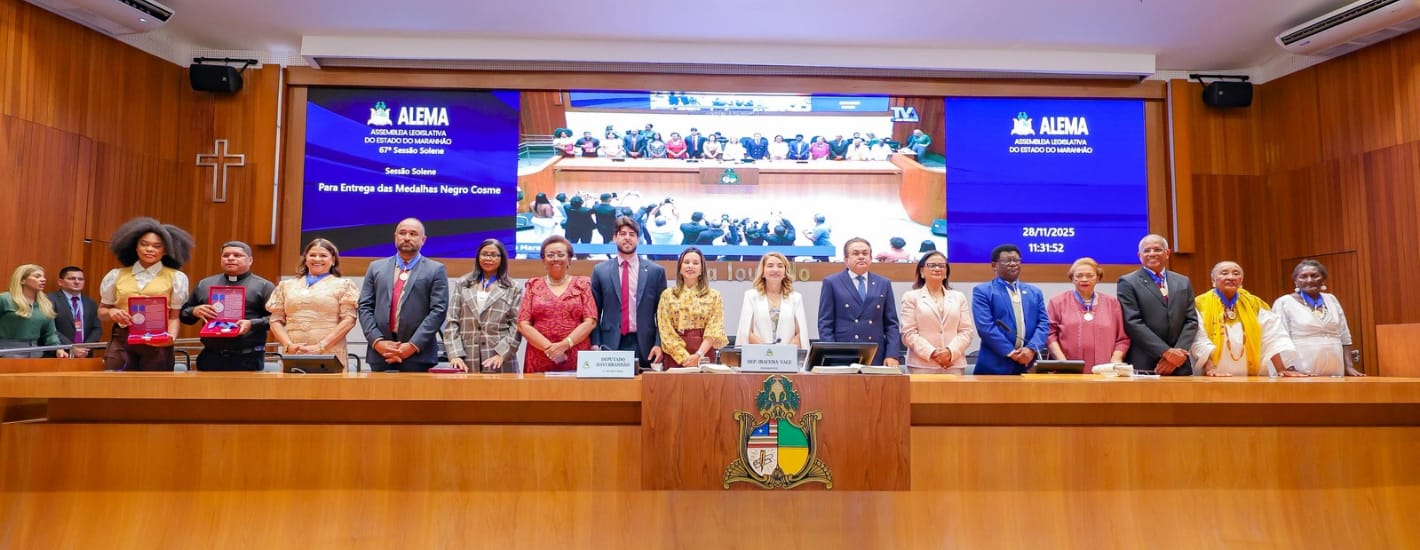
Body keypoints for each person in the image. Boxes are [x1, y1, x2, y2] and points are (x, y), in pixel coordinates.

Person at [98, 217, 193, 371]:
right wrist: (111, 312)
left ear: (165, 250)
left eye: (157, 246)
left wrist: (171, 338)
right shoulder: (116, 275)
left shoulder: (176, 277)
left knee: (155, 390)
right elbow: (102, 312)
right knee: (116, 387)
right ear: (135, 247)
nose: (150, 249)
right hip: (123, 339)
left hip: (158, 341)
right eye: (144, 244)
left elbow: (174, 316)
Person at [358, 218, 450, 372]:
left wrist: (412, 346)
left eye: (413, 234)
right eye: (402, 233)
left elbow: (438, 311)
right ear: (395, 236)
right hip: (380, 353)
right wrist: (377, 342)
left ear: (423, 240)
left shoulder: (436, 270)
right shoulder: (375, 267)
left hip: (418, 355)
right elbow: (364, 307)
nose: (407, 237)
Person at [1191, 261, 1303, 377]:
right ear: (1213, 281)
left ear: (1241, 281)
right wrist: (1209, 366)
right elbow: (1198, 338)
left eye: (1236, 273)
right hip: (1213, 374)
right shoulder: (1200, 303)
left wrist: (1281, 368)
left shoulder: (1254, 303)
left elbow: (1272, 336)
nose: (1230, 277)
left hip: (1250, 374)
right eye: (1224, 273)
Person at [180, 241, 276, 371]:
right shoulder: (204, 284)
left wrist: (252, 324)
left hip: (248, 358)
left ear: (250, 260)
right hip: (210, 357)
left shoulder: (264, 287)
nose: (230, 258)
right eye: (226, 255)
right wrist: (194, 311)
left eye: (237, 255)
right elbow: (184, 315)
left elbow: (277, 319)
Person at [267, 238, 359, 369]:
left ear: (333, 260)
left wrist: (321, 346)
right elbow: (275, 320)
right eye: (312, 255)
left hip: (330, 352)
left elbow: (349, 320)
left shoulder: (344, 285)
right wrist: (288, 345)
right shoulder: (286, 286)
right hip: (294, 352)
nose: (317, 259)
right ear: (305, 259)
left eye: (323, 255)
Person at [591, 217, 668, 371]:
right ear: (614, 238)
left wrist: (659, 344)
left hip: (645, 344)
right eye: (622, 233)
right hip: (610, 343)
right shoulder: (600, 271)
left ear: (638, 240)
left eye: (632, 234)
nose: (627, 238)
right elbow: (593, 312)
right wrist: (595, 343)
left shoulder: (655, 271)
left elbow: (663, 314)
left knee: (644, 392)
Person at [1117, 234, 1199, 376]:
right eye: (1147, 251)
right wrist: (1165, 352)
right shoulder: (1128, 282)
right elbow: (1132, 322)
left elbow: (1191, 320)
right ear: (1139, 255)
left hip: (1179, 363)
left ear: (1167, 253)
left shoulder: (1182, 281)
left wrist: (1176, 355)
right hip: (1145, 361)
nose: (1152, 254)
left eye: (1157, 250)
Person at [517, 236, 598, 373]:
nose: (556, 258)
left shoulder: (582, 285)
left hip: (576, 357)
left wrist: (565, 345)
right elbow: (523, 324)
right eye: (550, 255)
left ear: (569, 259)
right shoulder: (533, 285)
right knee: (536, 394)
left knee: (577, 394)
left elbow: (590, 321)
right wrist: (551, 349)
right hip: (539, 356)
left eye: (561, 254)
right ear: (543, 260)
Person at [817, 238, 901, 367]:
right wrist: (831, 353)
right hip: (843, 354)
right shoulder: (832, 282)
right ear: (846, 259)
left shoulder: (883, 283)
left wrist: (892, 354)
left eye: (865, 253)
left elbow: (891, 324)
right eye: (856, 254)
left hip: (876, 354)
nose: (861, 257)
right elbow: (825, 323)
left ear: (871, 258)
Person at [443, 239, 523, 373]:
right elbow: (452, 321)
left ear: (502, 258)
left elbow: (517, 325)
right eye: (484, 254)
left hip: (499, 360)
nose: (488, 258)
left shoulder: (513, 287)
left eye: (493, 255)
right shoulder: (463, 283)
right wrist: (455, 354)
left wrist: (501, 354)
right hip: (466, 359)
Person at [1273, 260, 1363, 377]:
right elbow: (1278, 339)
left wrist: (1349, 366)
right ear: (1296, 281)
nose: (1309, 280)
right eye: (1303, 276)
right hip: (1300, 370)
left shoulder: (1331, 299)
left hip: (1335, 368)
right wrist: (1289, 368)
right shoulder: (1284, 303)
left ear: (1323, 279)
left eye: (1315, 276)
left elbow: (1345, 335)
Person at [972, 244, 1048, 375]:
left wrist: (1031, 349)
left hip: (1029, 364)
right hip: (995, 365)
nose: (1013, 264)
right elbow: (985, 327)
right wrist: (1011, 352)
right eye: (1007, 260)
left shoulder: (1034, 292)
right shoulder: (983, 291)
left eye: (1016, 260)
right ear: (994, 265)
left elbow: (1044, 324)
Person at [899, 251, 974, 374]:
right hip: (922, 365)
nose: (937, 269)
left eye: (941, 265)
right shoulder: (911, 297)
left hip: (953, 364)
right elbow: (908, 333)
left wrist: (950, 351)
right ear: (922, 272)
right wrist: (933, 353)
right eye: (932, 265)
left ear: (946, 273)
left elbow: (966, 331)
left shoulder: (958, 297)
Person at [1046, 258, 1130, 367]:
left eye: (1090, 275)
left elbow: (1122, 338)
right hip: (1068, 370)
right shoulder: (1057, 302)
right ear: (1072, 278)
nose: (1084, 279)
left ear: (1098, 278)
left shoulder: (1112, 303)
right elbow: (1049, 335)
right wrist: (1063, 363)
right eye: (1079, 276)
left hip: (1105, 371)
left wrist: (1114, 362)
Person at [657, 247, 729, 368]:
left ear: (701, 270)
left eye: (695, 263)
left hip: (704, 353)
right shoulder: (668, 295)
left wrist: (698, 355)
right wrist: (684, 357)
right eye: (686, 262)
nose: (690, 266)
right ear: (680, 268)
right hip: (675, 354)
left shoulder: (713, 296)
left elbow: (714, 329)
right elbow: (665, 330)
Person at [735, 251, 809, 349]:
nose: (775, 269)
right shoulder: (751, 296)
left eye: (780, 266)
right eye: (770, 266)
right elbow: (746, 331)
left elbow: (800, 333)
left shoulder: (796, 298)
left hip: (787, 359)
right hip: (758, 357)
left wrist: (784, 353)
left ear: (785, 272)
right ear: (763, 272)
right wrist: (768, 352)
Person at [0, 265, 66, 358]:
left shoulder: (46, 303)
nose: (43, 279)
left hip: (35, 353)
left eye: (43, 277)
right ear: (22, 280)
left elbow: (50, 333)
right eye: (37, 276)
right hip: (7, 351)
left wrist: (59, 348)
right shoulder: (5, 299)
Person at [47, 266, 100, 358]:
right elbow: (50, 329)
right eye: (72, 279)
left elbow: (96, 328)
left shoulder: (90, 302)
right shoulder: (49, 300)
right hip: (60, 354)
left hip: (85, 355)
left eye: (80, 279)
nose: (77, 282)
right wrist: (71, 347)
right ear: (60, 282)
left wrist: (85, 347)